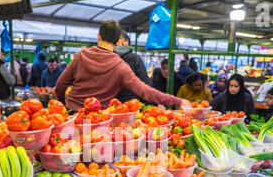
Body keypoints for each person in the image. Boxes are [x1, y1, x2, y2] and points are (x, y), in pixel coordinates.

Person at [55, 20, 189, 111]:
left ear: (99, 36)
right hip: (98, 120)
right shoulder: (120, 67)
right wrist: (176, 101)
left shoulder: (81, 55)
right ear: (118, 41)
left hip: (72, 113)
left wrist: (63, 105)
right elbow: (145, 91)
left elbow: (60, 85)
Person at [113, 30, 151, 102]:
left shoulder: (105, 58)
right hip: (131, 105)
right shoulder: (134, 58)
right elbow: (145, 84)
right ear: (124, 42)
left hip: (108, 106)